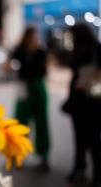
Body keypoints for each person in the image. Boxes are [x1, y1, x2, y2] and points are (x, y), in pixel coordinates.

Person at [62, 23, 101, 186]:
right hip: (78, 100)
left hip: (92, 100)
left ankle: (97, 174)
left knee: (93, 139)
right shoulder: (79, 48)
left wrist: (87, 81)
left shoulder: (95, 49)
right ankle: (80, 168)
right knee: (79, 137)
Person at [8, 26, 50, 171]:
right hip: (24, 88)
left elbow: (45, 70)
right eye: (31, 36)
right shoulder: (19, 50)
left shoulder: (41, 51)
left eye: (35, 36)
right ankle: (17, 155)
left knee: (41, 123)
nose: (33, 39)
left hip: (38, 87)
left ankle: (44, 157)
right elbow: (6, 65)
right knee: (20, 123)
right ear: (25, 37)